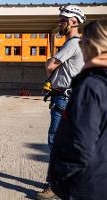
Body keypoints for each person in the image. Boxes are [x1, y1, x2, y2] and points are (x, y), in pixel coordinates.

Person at [49, 19, 107, 200]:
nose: (81, 47)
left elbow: (80, 145)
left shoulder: (91, 85)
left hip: (87, 185)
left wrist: (61, 179)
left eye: (83, 42)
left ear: (93, 45)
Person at [36, 5, 86, 200]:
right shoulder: (80, 43)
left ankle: (55, 186)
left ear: (73, 22)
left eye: (62, 20)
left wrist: (51, 67)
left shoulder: (72, 43)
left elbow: (50, 65)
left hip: (64, 98)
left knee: (56, 142)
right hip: (70, 97)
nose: (59, 23)